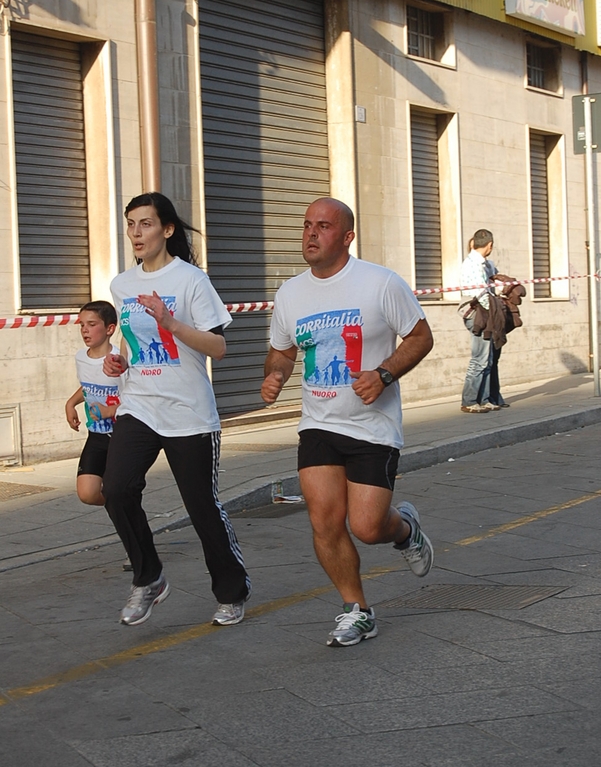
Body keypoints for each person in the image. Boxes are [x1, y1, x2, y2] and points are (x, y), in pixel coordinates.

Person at [261, 197, 434, 647]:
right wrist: (276, 375)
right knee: (324, 522)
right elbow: (281, 350)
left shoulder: (380, 284)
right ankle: (356, 610)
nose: (311, 234)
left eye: (323, 226)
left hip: (371, 426)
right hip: (318, 424)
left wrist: (384, 374)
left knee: (367, 526)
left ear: (347, 236)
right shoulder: (291, 293)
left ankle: (405, 529)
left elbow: (421, 335)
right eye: (306, 226)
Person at [102, 192, 250, 627]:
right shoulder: (122, 285)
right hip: (139, 405)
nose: (136, 233)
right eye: (131, 224)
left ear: (167, 230)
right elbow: (134, 342)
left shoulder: (191, 280)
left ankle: (231, 590)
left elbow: (218, 347)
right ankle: (149, 578)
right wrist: (120, 361)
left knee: (201, 506)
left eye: (145, 224)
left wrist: (170, 322)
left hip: (187, 410)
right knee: (117, 489)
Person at [65, 301, 121, 507]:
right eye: (81, 325)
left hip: (122, 436)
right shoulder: (81, 357)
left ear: (110, 329)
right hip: (96, 435)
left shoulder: (120, 359)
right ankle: (123, 505)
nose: (85, 330)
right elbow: (88, 387)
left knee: (119, 490)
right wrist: (71, 403)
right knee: (87, 493)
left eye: (91, 324)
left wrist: (109, 410)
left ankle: (125, 507)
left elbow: (137, 397)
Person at [459, 229, 508, 413]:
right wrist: (495, 308)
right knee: (479, 359)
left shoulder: (486, 264)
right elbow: (482, 294)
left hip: (486, 313)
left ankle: (485, 399)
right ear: (490, 245)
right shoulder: (472, 265)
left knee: (488, 359)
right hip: (479, 314)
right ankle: (470, 400)